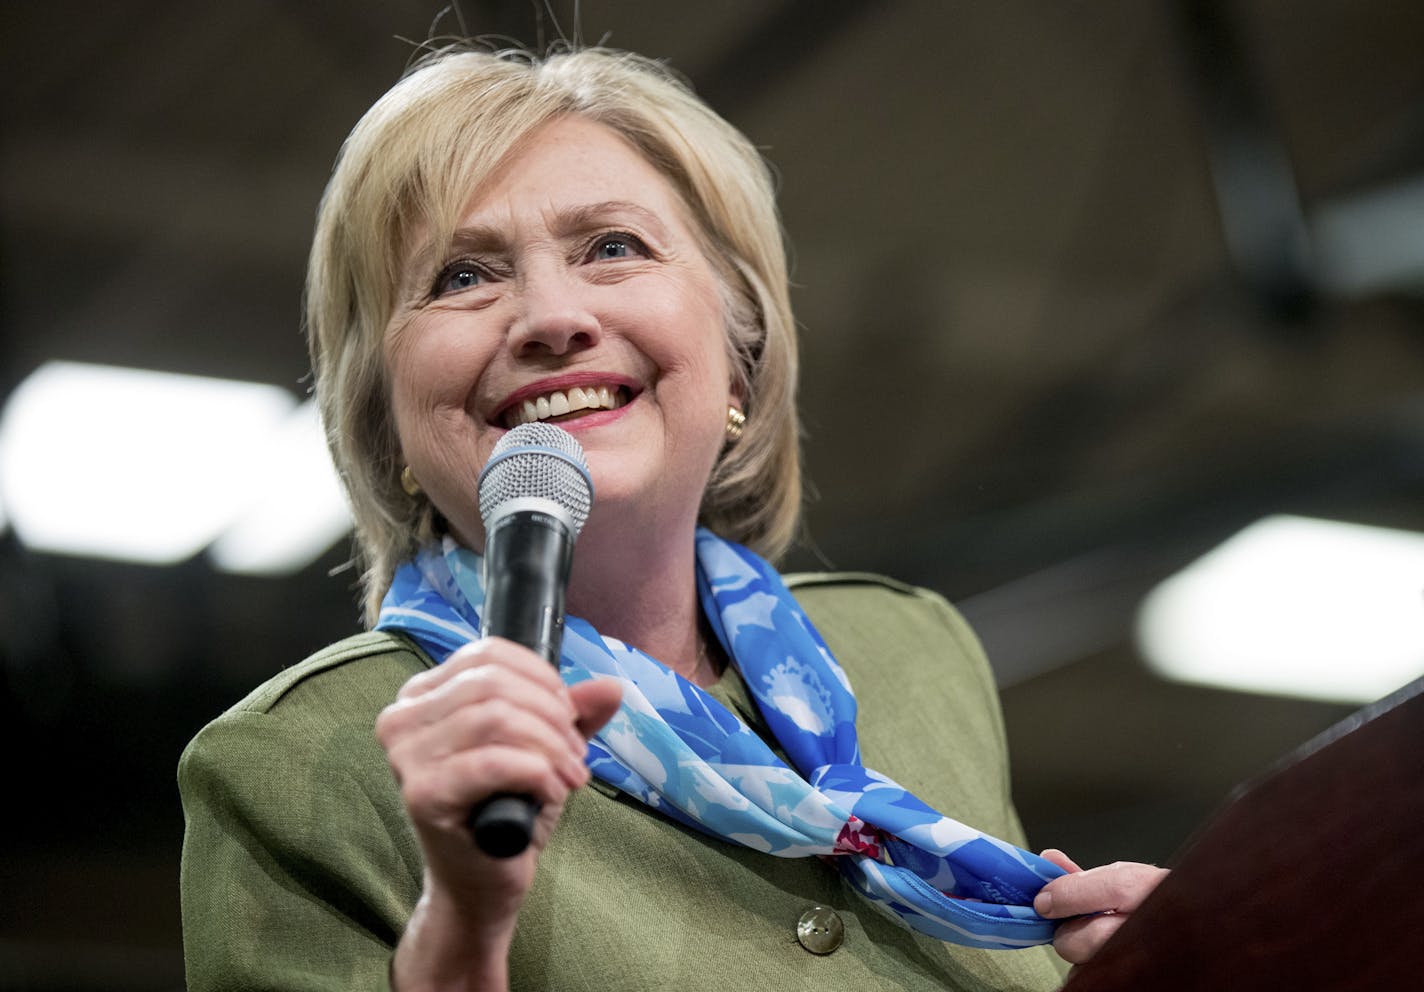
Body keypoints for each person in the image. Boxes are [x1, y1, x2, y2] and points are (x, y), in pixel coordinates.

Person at [178, 45, 1167, 991]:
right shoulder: (296, 765)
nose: (549, 316)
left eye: (612, 247)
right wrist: (462, 934)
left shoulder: (913, 649)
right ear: (381, 411)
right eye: (461, 277)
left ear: (739, 351)